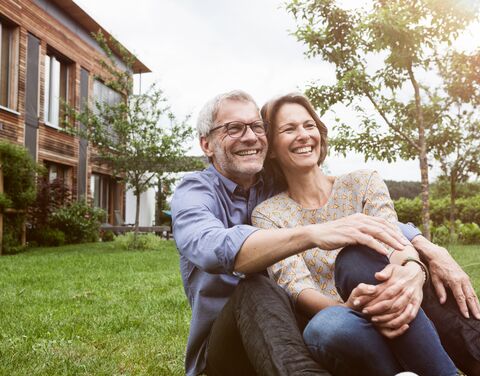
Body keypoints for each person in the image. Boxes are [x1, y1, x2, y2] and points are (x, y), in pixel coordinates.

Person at [171, 90, 479, 376]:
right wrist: (312, 234)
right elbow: (211, 246)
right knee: (256, 289)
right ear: (206, 144)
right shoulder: (197, 191)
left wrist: (425, 249)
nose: (249, 136)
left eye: (255, 126)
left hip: (292, 333)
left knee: (387, 274)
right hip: (231, 348)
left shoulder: (273, 187)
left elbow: (362, 220)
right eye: (233, 128)